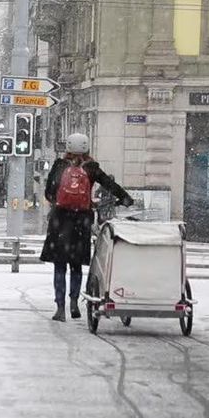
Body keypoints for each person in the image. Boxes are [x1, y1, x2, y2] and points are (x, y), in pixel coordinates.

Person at [40, 133, 133, 322]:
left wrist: (59, 202)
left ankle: (60, 307)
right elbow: (109, 184)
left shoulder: (59, 166)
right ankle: (74, 302)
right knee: (75, 266)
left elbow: (49, 192)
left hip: (60, 221)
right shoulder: (91, 168)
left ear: (67, 148)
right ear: (87, 148)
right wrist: (124, 197)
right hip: (81, 221)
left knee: (60, 266)